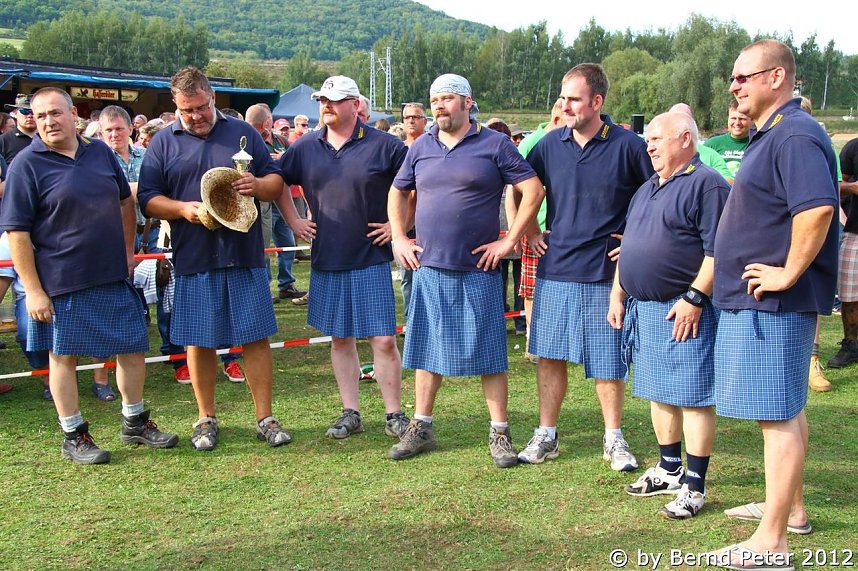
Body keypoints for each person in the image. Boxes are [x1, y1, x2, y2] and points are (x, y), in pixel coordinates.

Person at [710, 39, 838, 568]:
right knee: (787, 409)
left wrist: (787, 271)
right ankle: (792, 512)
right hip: (763, 302)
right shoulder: (775, 133)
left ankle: (772, 541)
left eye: (744, 76)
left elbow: (818, 209)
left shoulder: (796, 134)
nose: (734, 86)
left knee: (776, 417)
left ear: (777, 77)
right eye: (733, 78)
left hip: (775, 304)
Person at [0, 87, 178, 464]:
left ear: (74, 114)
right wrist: (32, 290)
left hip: (112, 274)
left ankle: (134, 421)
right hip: (62, 280)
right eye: (41, 115)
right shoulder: (26, 165)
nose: (48, 121)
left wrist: (129, 252)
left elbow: (125, 201)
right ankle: (74, 435)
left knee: (133, 347)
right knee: (63, 357)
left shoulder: (99, 152)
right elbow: (16, 233)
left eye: (55, 113)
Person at [387, 73, 545, 467]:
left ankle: (500, 433)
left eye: (446, 99)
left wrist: (510, 241)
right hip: (429, 266)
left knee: (490, 352)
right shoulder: (421, 146)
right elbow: (397, 192)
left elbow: (534, 189)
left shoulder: (494, 144)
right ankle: (420, 427)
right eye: (434, 100)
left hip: (477, 268)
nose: (438, 106)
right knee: (425, 349)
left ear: (467, 102)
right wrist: (399, 238)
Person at [137, 66, 292, 451]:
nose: (195, 116)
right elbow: (148, 199)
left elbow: (276, 182)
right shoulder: (163, 143)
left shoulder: (243, 134)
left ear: (212, 97)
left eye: (201, 107)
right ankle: (205, 419)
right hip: (194, 256)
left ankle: (265, 418)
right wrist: (182, 209)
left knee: (256, 337)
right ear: (176, 105)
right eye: (186, 110)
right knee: (199, 341)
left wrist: (256, 185)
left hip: (244, 253)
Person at [520, 64, 654, 471]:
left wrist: (634, 241)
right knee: (549, 355)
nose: (565, 105)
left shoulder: (630, 146)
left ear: (597, 102)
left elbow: (654, 197)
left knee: (608, 358)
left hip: (605, 274)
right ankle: (547, 434)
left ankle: (614, 438)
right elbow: (523, 188)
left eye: (574, 99)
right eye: (563, 98)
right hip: (556, 267)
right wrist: (527, 232)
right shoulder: (547, 144)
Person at [608, 111, 729, 520]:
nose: (649, 145)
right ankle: (669, 469)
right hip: (646, 309)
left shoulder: (707, 185)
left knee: (692, 397)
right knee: (659, 392)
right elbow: (629, 247)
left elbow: (718, 251)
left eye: (656, 139)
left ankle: (695, 486)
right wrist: (617, 294)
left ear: (684, 138)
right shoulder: (647, 187)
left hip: (684, 309)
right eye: (647, 140)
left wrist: (695, 297)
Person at [276, 75, 410, 439]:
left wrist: (398, 227)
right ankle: (350, 411)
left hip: (370, 256)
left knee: (382, 339)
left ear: (356, 105)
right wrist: (293, 220)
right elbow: (276, 183)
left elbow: (414, 188)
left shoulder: (386, 145)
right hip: (328, 256)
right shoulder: (305, 146)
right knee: (339, 339)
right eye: (323, 100)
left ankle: (394, 414)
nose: (326, 106)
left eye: (335, 100)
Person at [508, 98, 564, 364]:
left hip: (559, 232)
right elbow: (513, 190)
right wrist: (521, 231)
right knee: (531, 291)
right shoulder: (534, 144)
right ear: (556, 120)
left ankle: (555, 342)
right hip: (537, 231)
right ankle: (533, 341)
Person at [245, 104, 305, 302]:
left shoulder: (280, 140)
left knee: (287, 243)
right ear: (266, 122)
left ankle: (286, 284)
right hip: (261, 204)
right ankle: (264, 288)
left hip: (283, 199)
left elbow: (290, 167)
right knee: (261, 246)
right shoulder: (246, 142)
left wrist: (281, 159)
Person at [397, 102, 429, 320]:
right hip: (405, 222)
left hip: (429, 219)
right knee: (407, 274)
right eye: (407, 117)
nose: (410, 120)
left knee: (430, 273)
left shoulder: (433, 146)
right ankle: (411, 319)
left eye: (415, 117)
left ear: (425, 121)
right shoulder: (398, 150)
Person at [829, 136, 858, 372]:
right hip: (855, 229)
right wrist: (853, 188)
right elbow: (833, 185)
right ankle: (851, 345)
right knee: (848, 294)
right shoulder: (854, 147)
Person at [703, 99, 751, 178]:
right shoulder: (712, 145)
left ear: (751, 120)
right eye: (733, 118)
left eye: (742, 119)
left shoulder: (758, 144)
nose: (737, 123)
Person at [0, 94, 37, 164]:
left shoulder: (50, 139)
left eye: (34, 112)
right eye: (24, 111)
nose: (29, 116)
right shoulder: (3, 141)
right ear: (15, 113)